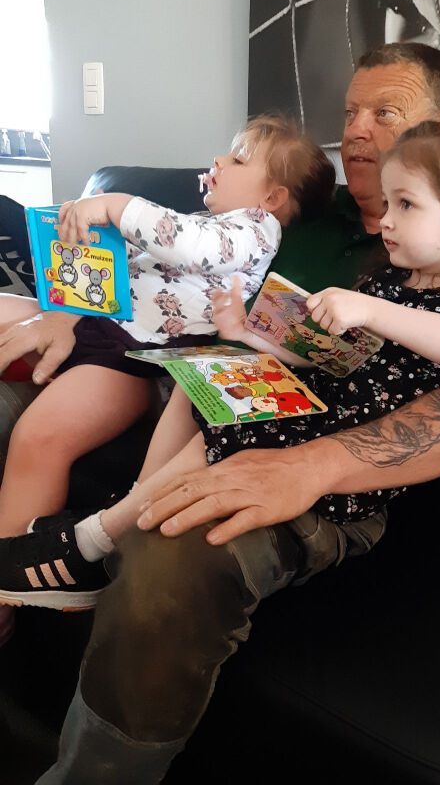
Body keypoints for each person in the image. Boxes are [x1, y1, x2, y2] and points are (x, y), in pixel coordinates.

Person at [0, 43, 440, 783]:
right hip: (212, 380)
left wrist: (310, 466)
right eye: (350, 110)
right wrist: (66, 313)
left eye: (385, 112)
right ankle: (73, 557)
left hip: (319, 446)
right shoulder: (310, 213)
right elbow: (179, 281)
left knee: (176, 542)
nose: (356, 130)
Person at [0, 112, 440, 611]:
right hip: (313, 403)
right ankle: (133, 505)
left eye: (405, 205)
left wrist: (372, 310)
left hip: (343, 449)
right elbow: (326, 356)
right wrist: (245, 333)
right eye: (387, 204)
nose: (385, 221)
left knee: (218, 438)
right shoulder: (386, 280)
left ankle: (93, 541)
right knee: (205, 383)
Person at [0, 114, 336, 633]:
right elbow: (138, 258)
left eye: (238, 159)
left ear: (272, 198)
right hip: (94, 318)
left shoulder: (252, 231)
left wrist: (114, 206)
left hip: (129, 360)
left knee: (39, 437)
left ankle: (7, 590)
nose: (218, 161)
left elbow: (185, 241)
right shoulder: (201, 221)